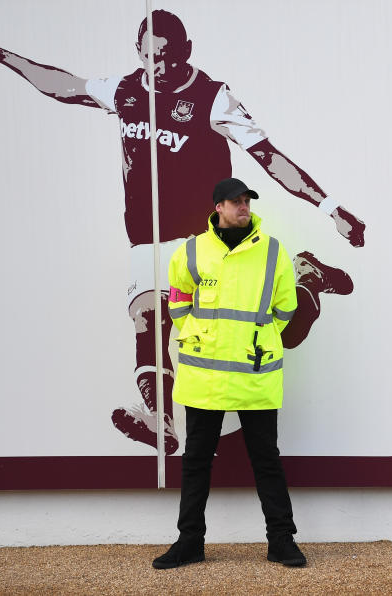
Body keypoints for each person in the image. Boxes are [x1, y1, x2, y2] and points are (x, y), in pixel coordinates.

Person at [0, 10, 362, 454]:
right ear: (139, 54)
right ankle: (161, 419)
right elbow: (65, 86)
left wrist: (331, 208)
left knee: (279, 336)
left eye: (169, 57)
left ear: (187, 52)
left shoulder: (214, 99)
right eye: (152, 56)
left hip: (205, 241)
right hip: (148, 241)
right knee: (147, 318)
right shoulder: (126, 90)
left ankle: (306, 275)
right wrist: (3, 57)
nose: (161, 66)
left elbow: (268, 157)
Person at [153, 177, 306, 569]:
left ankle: (282, 541)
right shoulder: (190, 251)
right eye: (236, 202)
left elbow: (285, 309)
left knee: (266, 459)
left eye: (247, 201)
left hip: (255, 373)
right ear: (218, 207)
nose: (244, 207)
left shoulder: (272, 251)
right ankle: (190, 542)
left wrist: (258, 337)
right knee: (196, 460)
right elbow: (178, 300)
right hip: (204, 375)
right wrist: (198, 336)